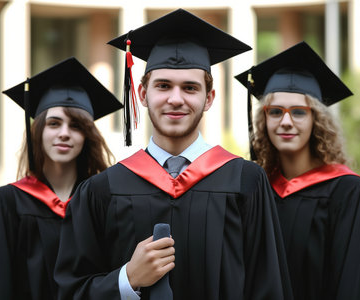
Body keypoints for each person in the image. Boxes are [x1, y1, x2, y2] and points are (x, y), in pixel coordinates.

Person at [54, 9, 292, 300]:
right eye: (163, 85)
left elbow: (269, 287)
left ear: (209, 98)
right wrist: (127, 280)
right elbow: (71, 291)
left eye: (190, 88)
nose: (175, 99)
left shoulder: (246, 181)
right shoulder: (102, 190)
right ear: (142, 94)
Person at [235, 41, 360, 299]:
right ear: (263, 121)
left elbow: (357, 285)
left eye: (298, 112)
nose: (285, 122)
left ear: (317, 120)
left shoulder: (349, 194)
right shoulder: (254, 192)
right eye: (275, 112)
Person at [0, 57, 123, 300]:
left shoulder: (103, 203)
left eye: (76, 126)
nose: (64, 134)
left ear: (87, 136)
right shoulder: (6, 203)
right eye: (54, 123)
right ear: (38, 131)